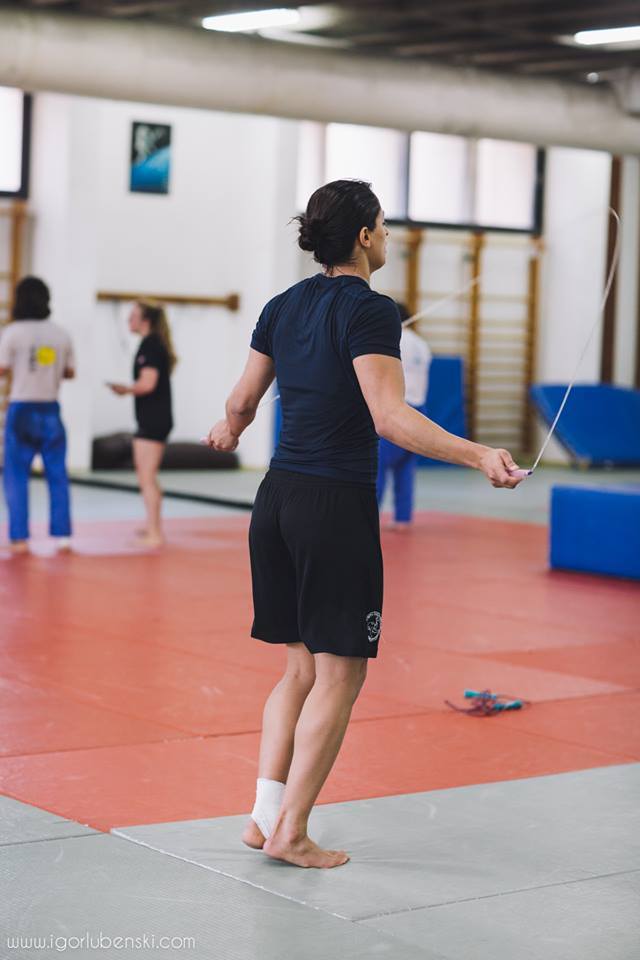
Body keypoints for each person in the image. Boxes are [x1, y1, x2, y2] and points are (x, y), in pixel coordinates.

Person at [205, 179, 523, 870]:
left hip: (276, 500)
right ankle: (291, 832)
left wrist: (229, 431)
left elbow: (241, 401)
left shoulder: (281, 305)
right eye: (383, 225)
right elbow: (390, 417)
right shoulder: (372, 310)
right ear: (364, 236)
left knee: (298, 668)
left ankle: (263, 818)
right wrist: (478, 455)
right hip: (332, 507)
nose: (388, 237)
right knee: (340, 673)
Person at [0, 276, 75, 554]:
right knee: (57, 473)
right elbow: (70, 372)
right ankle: (63, 535)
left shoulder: (13, 332)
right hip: (50, 408)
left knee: (16, 474)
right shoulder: (61, 334)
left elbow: (2, 368)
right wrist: (45, 364)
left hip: (22, 407)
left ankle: (19, 537)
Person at [107, 300, 176, 547]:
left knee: (146, 477)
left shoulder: (151, 345)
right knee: (148, 476)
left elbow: (148, 383)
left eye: (133, 316)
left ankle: (155, 534)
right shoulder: (153, 344)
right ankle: (152, 525)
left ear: (145, 320)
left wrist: (124, 390)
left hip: (153, 420)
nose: (129, 320)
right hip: (154, 418)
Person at [377, 301, 432, 528]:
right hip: (420, 408)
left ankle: (370, 515)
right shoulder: (422, 344)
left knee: (378, 464)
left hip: (399, 408)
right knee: (405, 467)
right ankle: (403, 518)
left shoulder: (394, 339)